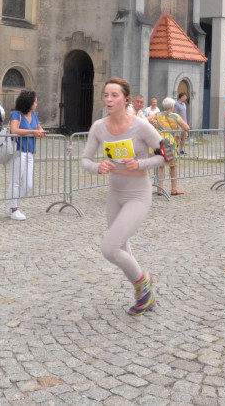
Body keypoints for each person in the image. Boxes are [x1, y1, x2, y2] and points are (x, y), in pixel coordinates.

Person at [81, 78, 167, 316]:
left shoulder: (140, 126)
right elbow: (85, 160)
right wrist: (98, 167)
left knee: (110, 248)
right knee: (122, 246)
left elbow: (166, 154)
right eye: (106, 95)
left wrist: (140, 163)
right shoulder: (99, 127)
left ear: (126, 99)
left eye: (114, 95)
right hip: (114, 194)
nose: (108, 99)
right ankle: (144, 296)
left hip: (138, 194)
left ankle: (143, 283)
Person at [6, 90, 45, 221]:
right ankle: (14, 210)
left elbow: (39, 128)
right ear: (29, 102)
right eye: (35, 102)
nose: (36, 104)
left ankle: (13, 205)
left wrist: (41, 132)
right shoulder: (16, 114)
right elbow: (14, 130)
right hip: (18, 151)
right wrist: (32, 131)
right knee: (15, 181)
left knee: (28, 185)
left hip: (30, 152)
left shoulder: (33, 115)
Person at [154, 97, 190, 195]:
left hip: (158, 141)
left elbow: (146, 119)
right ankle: (174, 189)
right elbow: (186, 127)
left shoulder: (158, 115)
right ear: (172, 106)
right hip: (170, 142)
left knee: (160, 166)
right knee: (173, 165)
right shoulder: (175, 116)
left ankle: (160, 188)